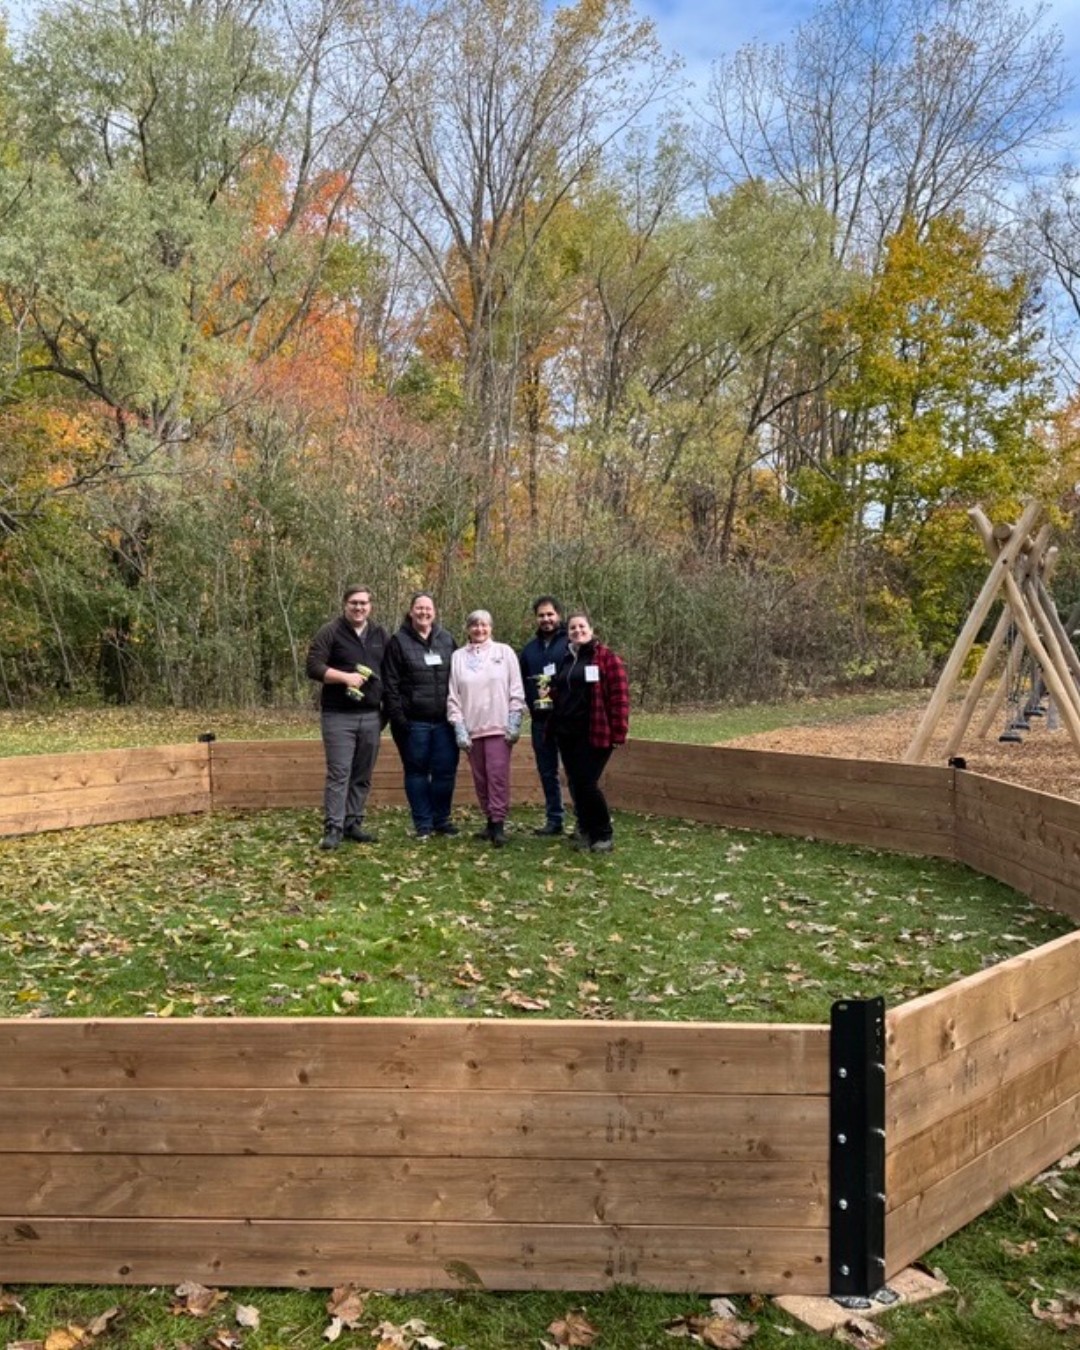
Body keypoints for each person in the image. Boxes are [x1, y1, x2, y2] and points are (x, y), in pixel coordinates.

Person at [305, 585, 389, 851]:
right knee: (339, 773)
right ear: (345, 604)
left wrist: (387, 709)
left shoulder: (380, 634)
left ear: (370, 606)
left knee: (362, 774)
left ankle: (353, 822)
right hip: (338, 716)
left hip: (371, 716)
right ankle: (334, 827)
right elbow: (313, 667)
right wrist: (345, 678)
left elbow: (390, 671)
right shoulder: (330, 631)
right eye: (354, 603)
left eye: (364, 603)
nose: (359, 607)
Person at [549, 611, 629, 853]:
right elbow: (559, 692)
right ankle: (585, 829)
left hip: (595, 732)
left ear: (591, 630)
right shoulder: (565, 659)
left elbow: (620, 698)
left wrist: (619, 732)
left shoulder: (606, 658)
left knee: (587, 784)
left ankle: (603, 833)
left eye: (582, 627)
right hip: (567, 732)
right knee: (575, 784)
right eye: (572, 628)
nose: (577, 631)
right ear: (568, 634)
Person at [382, 592, 459, 840]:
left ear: (434, 612)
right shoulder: (398, 642)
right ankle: (423, 823)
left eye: (428, 608)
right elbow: (390, 684)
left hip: (445, 722)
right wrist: (398, 718)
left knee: (445, 772)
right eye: (419, 608)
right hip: (413, 723)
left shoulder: (447, 639)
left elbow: (459, 677)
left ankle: (441, 820)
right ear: (411, 611)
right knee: (416, 773)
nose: (424, 612)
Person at [447, 609, 526, 848]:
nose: (479, 629)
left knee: (497, 777)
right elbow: (453, 695)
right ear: (467, 629)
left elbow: (516, 688)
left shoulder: (504, 652)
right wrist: (459, 725)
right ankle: (489, 821)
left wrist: (514, 720)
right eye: (474, 625)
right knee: (480, 779)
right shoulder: (458, 657)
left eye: (484, 625)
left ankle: (499, 824)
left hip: (499, 728)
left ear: (491, 628)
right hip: (472, 729)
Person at [518, 595, 571, 836]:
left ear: (558, 615)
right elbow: (521, 683)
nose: (546, 619)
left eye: (550, 614)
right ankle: (554, 819)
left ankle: (583, 822)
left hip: (567, 719)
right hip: (541, 721)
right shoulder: (530, 650)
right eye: (541, 615)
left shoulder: (570, 642)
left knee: (574, 772)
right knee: (547, 772)